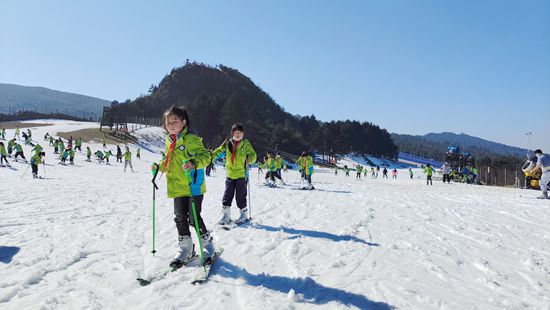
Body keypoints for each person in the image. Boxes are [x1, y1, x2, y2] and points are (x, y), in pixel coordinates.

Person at [154, 106, 214, 266]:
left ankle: (207, 244)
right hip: (177, 187)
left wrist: (194, 163)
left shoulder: (191, 139)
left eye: (175, 121)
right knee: (180, 218)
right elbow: (169, 161)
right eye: (168, 122)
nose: (171, 125)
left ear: (184, 122)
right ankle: (186, 247)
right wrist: (159, 166)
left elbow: (206, 156)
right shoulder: (169, 141)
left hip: (193, 185)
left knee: (194, 218)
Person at [212, 123, 257, 225]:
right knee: (227, 195)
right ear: (232, 133)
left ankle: (243, 215)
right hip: (230, 174)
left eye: (240, 133)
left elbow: (253, 154)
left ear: (243, 134)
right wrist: (210, 157)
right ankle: (226, 215)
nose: (238, 135)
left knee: (240, 196)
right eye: (236, 132)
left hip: (241, 174)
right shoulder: (228, 143)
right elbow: (218, 151)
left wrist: (251, 158)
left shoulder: (245, 143)